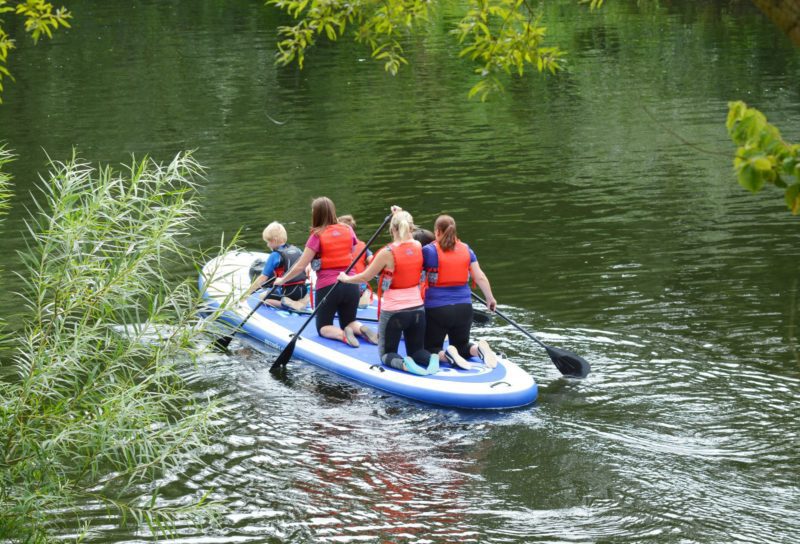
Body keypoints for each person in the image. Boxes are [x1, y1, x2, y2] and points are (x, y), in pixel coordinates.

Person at [338, 207, 438, 375]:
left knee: (386, 354)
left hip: (394, 313)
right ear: (411, 228)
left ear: (392, 229)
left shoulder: (387, 253)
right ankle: (431, 359)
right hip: (418, 311)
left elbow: (365, 276)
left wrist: (346, 278)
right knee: (417, 351)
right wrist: (399, 213)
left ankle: (405, 365)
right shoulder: (418, 245)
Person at [275, 197, 378, 347]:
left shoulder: (316, 236)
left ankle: (343, 335)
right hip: (351, 284)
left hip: (329, 288)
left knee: (323, 327)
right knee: (349, 321)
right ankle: (361, 329)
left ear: (316, 214)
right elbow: (352, 251)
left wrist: (282, 280)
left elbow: (299, 266)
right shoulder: (348, 229)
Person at [422, 214, 498, 370]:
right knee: (462, 346)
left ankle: (448, 354)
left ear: (436, 231)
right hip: (464, 307)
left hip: (438, 309)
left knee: (431, 348)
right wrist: (490, 299)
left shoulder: (428, 251)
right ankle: (478, 349)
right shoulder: (467, 249)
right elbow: (480, 277)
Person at [243, 221, 309, 311]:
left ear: (274, 240)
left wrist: (247, 294)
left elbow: (262, 278)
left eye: (268, 242)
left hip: (288, 292)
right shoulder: (297, 250)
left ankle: (291, 305)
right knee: (291, 291)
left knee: (262, 297)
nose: (267, 245)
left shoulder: (275, 255)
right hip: (303, 290)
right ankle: (302, 300)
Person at [337, 214, 374, 309]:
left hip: (344, 289)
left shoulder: (335, 246)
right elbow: (373, 262)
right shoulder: (363, 246)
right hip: (361, 289)